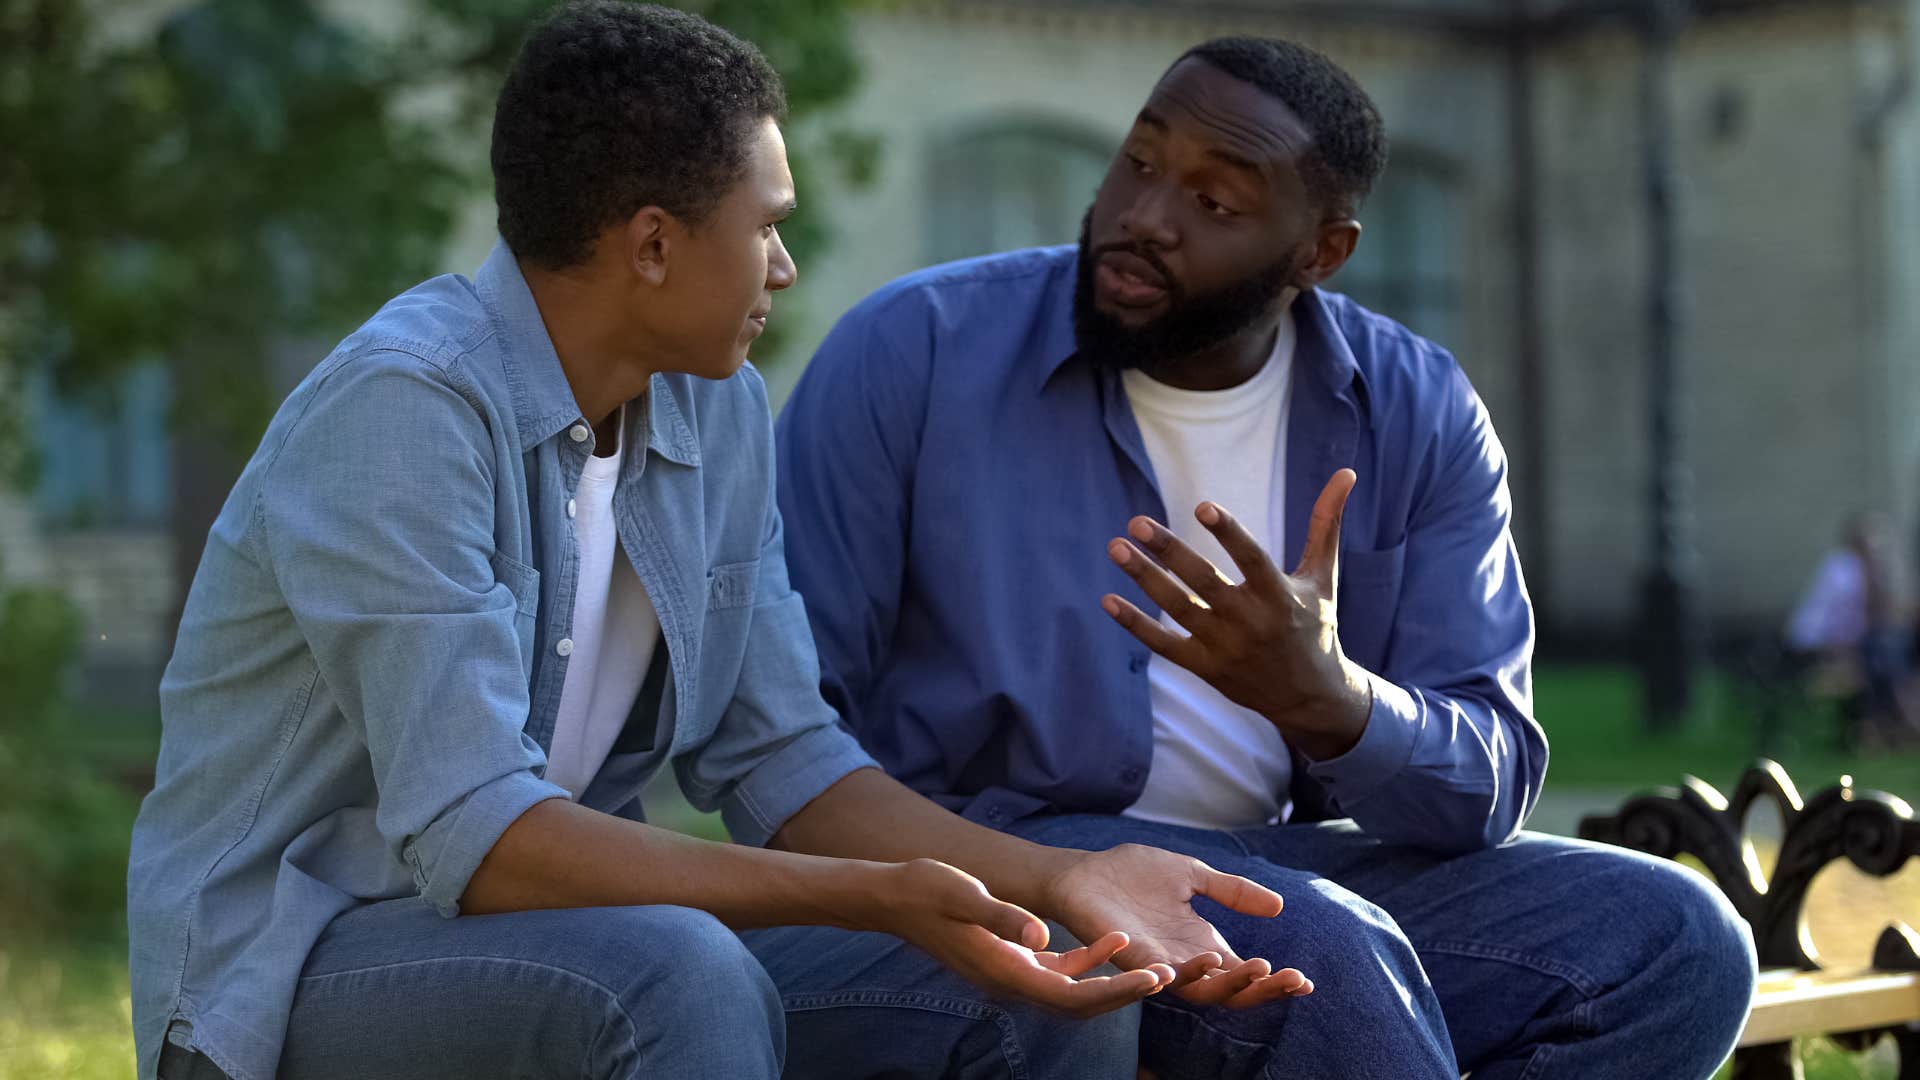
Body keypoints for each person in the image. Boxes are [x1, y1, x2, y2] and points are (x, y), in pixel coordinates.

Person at [125, 7, 1315, 1079]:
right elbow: (480, 838)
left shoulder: (711, 401)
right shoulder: (406, 408)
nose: (786, 270)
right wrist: (872, 899)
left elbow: (785, 757)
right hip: (295, 972)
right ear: (652, 246)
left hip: (556, 945)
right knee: (676, 972)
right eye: (768, 228)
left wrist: (1056, 878)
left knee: (1039, 979)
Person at [776, 35, 1759, 1080]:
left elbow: (1487, 777)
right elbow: (787, 730)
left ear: (1319, 253)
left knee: (1676, 941)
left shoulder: (1414, 410)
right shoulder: (914, 353)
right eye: (1140, 162)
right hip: (1017, 868)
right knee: (1321, 943)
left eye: (1217, 201)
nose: (1144, 217)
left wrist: (1332, 700)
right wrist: (1013, 876)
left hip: (1285, 865)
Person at [1785, 509, 1917, 747]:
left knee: (1887, 654)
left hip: (1848, 645)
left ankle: (1891, 724)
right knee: (1883, 657)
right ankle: (1895, 723)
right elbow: (1840, 624)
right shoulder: (1844, 571)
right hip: (1816, 650)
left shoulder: (1857, 570)